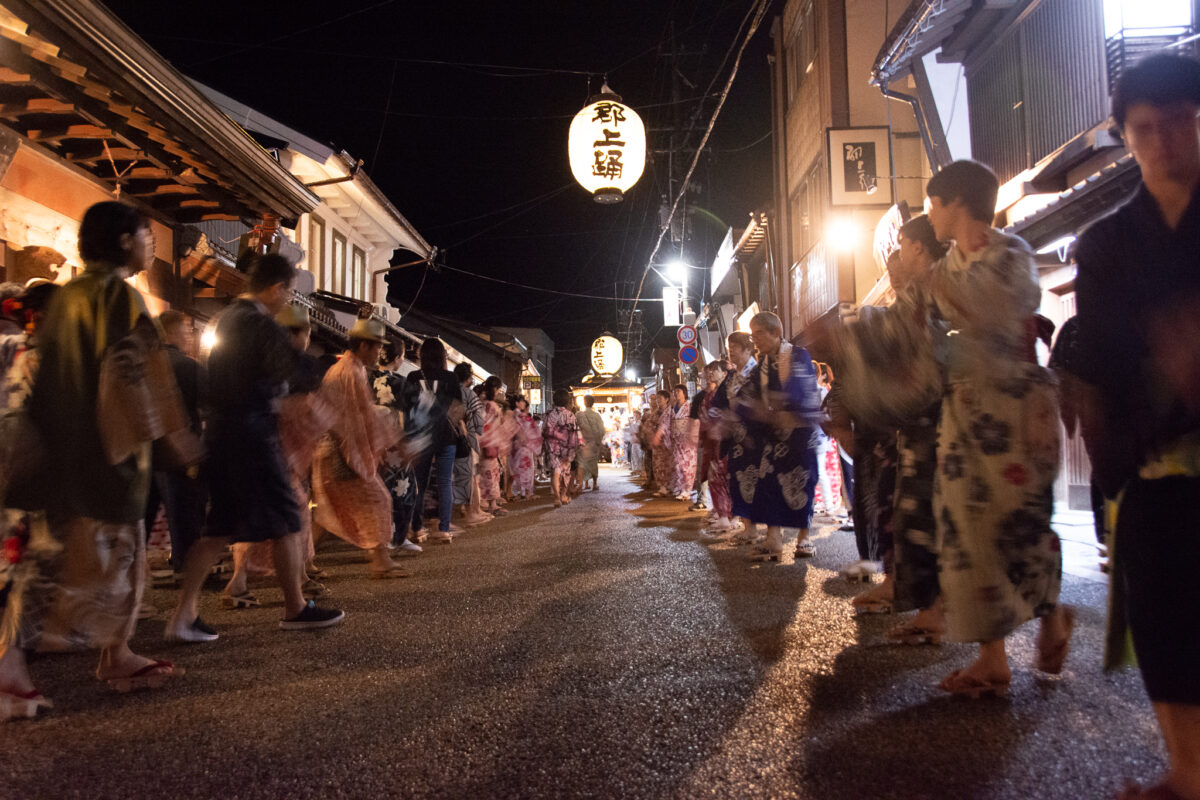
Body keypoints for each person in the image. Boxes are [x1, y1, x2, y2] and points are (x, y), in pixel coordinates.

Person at [1072, 54, 1200, 800]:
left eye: (1180, 121)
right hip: (1152, 453)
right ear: (1123, 135)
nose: (1164, 140)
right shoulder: (1106, 244)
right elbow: (1104, 353)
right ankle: (1186, 766)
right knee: (1163, 613)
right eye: (1145, 127)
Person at [1, 202, 182, 717]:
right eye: (148, 234)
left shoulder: (72, 294)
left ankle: (110, 652)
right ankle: (13, 671)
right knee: (101, 561)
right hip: (105, 455)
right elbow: (139, 374)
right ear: (126, 240)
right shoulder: (119, 296)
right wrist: (172, 434)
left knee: (50, 559)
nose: (152, 244)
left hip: (57, 449)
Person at [921, 160, 1069, 697]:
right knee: (965, 527)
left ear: (956, 202)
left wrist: (939, 295)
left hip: (1013, 403)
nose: (929, 216)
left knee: (1023, 519)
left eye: (933, 204)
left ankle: (1050, 613)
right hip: (964, 409)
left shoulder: (1012, 253)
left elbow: (1000, 306)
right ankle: (992, 657)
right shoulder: (945, 268)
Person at [167, 253, 343, 642]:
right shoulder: (259, 324)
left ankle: (182, 615)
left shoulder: (227, 319)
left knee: (219, 529)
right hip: (252, 435)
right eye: (290, 291)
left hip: (224, 433)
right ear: (277, 287)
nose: (288, 300)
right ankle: (295, 608)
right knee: (286, 516)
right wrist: (316, 372)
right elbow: (291, 370)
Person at [822, 215, 949, 637]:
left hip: (939, 416)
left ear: (918, 248)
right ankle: (912, 595)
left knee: (936, 513)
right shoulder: (918, 294)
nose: (892, 262)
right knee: (905, 510)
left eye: (900, 248)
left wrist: (847, 340)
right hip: (911, 420)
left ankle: (937, 608)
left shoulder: (944, 284)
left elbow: (903, 347)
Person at [313, 319, 409, 578]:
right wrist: (394, 441)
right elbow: (363, 416)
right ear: (365, 345)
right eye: (377, 346)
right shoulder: (350, 371)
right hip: (343, 450)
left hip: (335, 448)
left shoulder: (346, 368)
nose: (379, 352)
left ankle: (304, 562)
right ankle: (380, 560)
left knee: (328, 511)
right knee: (377, 499)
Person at [728, 312, 822, 562]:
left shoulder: (798, 355)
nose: (755, 339)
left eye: (759, 334)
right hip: (775, 435)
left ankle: (804, 539)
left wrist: (783, 405)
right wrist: (739, 410)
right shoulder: (764, 366)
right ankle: (774, 540)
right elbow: (749, 394)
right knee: (767, 483)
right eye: (753, 334)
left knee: (802, 484)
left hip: (800, 432)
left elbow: (801, 388)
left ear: (775, 333)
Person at [146, 310, 206, 578]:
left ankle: (135, 572)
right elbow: (209, 404)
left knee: (144, 516)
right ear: (171, 332)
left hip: (146, 450)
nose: (190, 335)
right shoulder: (187, 366)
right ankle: (185, 565)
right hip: (179, 449)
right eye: (186, 330)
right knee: (183, 513)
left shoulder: (145, 363)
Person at [403, 338, 462, 541]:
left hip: (421, 437)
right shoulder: (451, 377)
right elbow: (458, 409)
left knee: (419, 483)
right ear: (442, 356)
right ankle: (444, 530)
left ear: (422, 355)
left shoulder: (412, 376)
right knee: (445, 482)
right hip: (446, 436)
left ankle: (416, 529)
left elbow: (407, 408)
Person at [707, 331, 758, 545]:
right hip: (735, 438)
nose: (731, 353)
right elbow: (716, 404)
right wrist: (720, 421)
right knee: (738, 481)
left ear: (748, 349)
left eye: (735, 348)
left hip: (756, 436)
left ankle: (762, 528)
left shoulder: (758, 372)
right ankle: (749, 528)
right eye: (729, 349)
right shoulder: (731, 376)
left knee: (757, 482)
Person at [373, 342, 422, 557]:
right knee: (405, 490)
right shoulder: (399, 383)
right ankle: (397, 538)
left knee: (380, 491)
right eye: (402, 356)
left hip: (372, 444)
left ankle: (381, 539)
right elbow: (417, 412)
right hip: (395, 443)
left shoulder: (368, 379)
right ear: (397, 359)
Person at [697, 360, 736, 534]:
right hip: (715, 439)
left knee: (721, 477)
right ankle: (726, 516)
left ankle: (728, 517)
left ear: (724, 373)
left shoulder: (727, 391)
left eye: (715, 370)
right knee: (721, 477)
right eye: (710, 371)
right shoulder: (714, 392)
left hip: (725, 439)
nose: (711, 373)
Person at [451, 362, 490, 527]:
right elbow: (478, 420)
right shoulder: (469, 394)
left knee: (454, 476)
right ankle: (472, 512)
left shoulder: (449, 392)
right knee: (471, 476)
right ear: (468, 378)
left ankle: (461, 508)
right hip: (468, 439)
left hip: (449, 438)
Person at [477, 376, 509, 516]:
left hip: (477, 442)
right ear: (495, 389)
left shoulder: (478, 402)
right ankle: (492, 505)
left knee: (479, 475)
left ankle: (479, 504)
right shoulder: (493, 406)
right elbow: (498, 426)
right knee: (491, 475)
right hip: (490, 443)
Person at [543, 388, 579, 507]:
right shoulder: (570, 415)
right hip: (566, 447)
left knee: (555, 472)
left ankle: (556, 498)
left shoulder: (549, 414)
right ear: (567, 401)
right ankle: (563, 495)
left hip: (552, 447)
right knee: (566, 472)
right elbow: (573, 433)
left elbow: (544, 431)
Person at [509, 394, 541, 500]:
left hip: (517, 446)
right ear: (517, 403)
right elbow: (522, 429)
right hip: (523, 446)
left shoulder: (515, 414)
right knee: (526, 469)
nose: (523, 403)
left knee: (519, 469)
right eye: (522, 401)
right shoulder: (518, 415)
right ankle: (527, 493)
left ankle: (521, 492)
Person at [575, 395, 606, 492]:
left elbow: (576, 429)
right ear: (593, 403)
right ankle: (595, 484)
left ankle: (582, 485)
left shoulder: (578, 414)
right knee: (593, 463)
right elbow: (602, 430)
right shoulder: (597, 415)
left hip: (582, 443)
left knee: (581, 463)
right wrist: (598, 440)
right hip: (593, 444)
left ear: (584, 403)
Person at [649, 390, 674, 497]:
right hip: (658, 442)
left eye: (660, 399)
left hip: (668, 442)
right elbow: (649, 425)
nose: (658, 401)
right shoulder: (655, 413)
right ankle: (662, 487)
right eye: (657, 399)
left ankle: (670, 486)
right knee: (658, 464)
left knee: (669, 464)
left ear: (667, 399)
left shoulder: (671, 411)